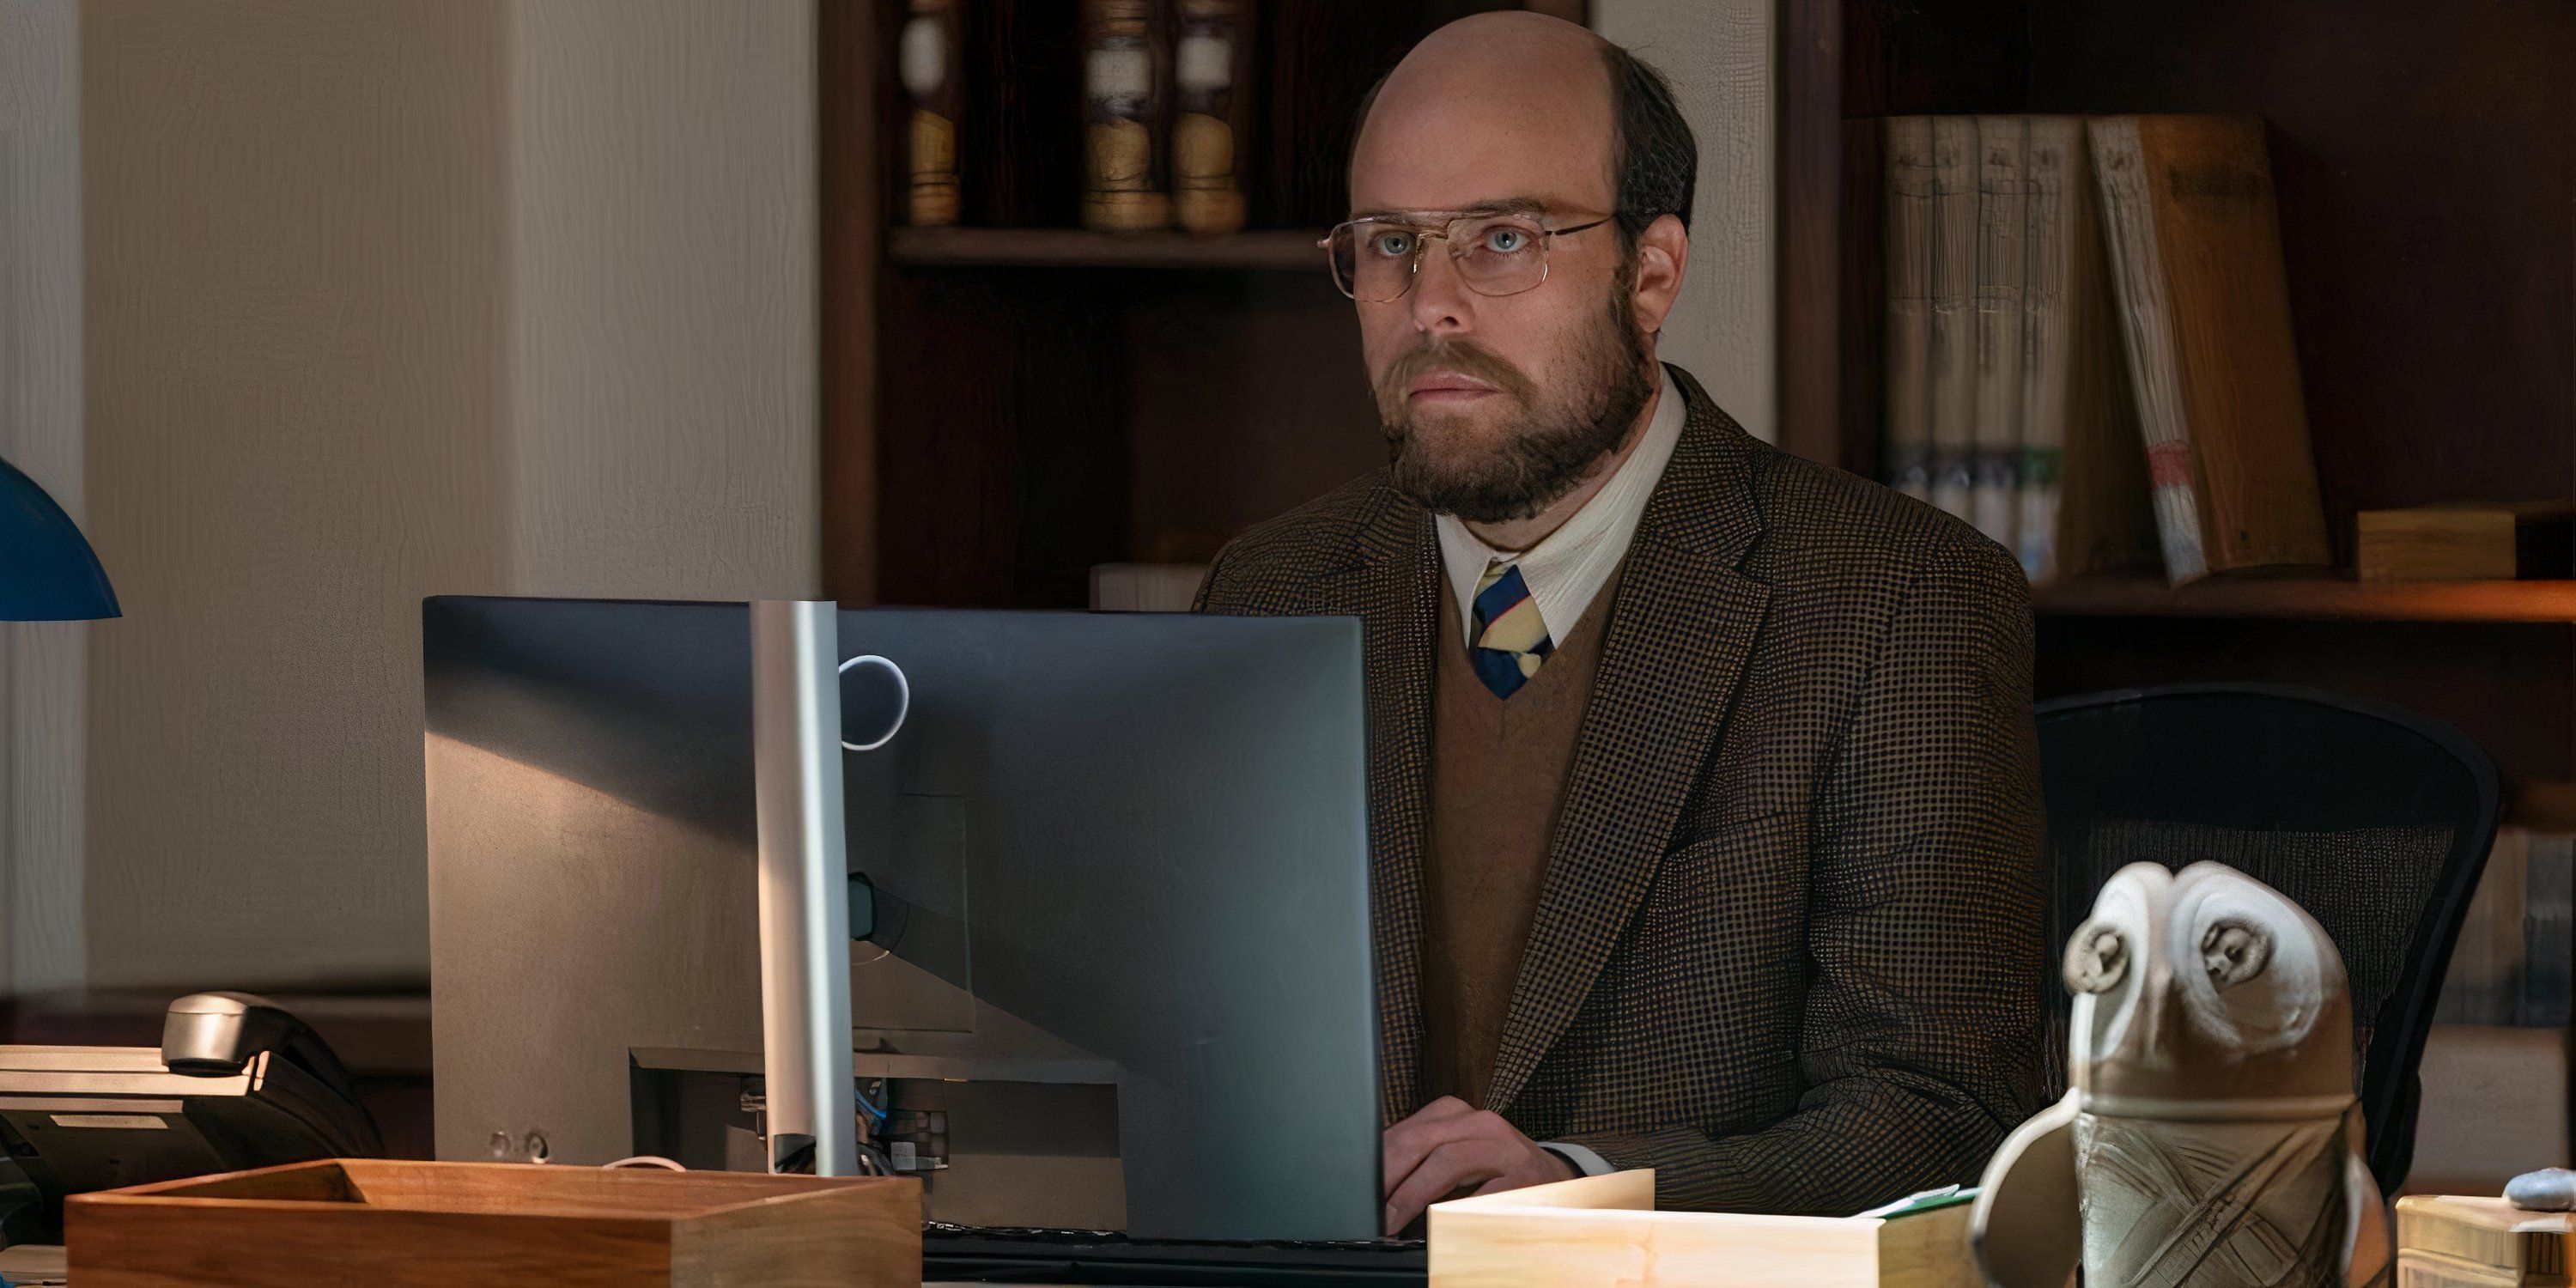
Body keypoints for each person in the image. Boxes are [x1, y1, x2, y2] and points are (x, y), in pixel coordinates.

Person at [1194, 11, 2047, 1235]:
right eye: (1389, 244)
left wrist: (1588, 1194)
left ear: (1653, 274)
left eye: (1501, 239)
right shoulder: (1272, 590)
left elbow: (1944, 1118)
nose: (1429, 305)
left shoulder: (1895, 603)